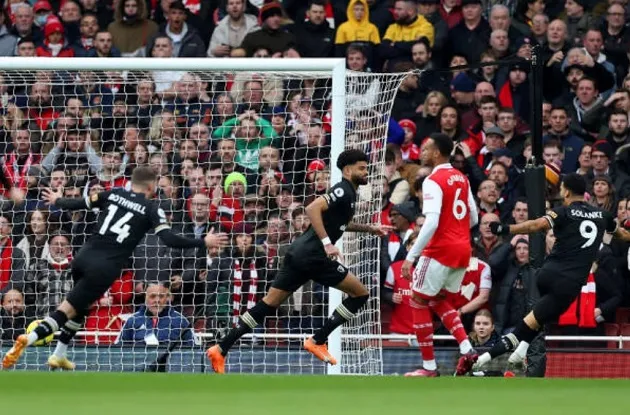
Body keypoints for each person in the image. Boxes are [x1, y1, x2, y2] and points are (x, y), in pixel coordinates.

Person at [1, 166, 228, 370]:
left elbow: (81, 203)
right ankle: (28, 340)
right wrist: (203, 242)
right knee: (66, 311)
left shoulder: (114, 193)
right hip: (105, 267)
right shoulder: (151, 208)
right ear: (151, 187)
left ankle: (59, 354)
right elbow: (169, 239)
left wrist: (58, 200)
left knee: (82, 306)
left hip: (82, 257)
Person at [205, 149, 390, 374]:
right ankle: (318, 339)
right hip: (313, 255)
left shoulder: (350, 193)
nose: (365, 171)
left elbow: (341, 224)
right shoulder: (342, 189)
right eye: (361, 168)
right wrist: (327, 243)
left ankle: (221, 348)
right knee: (360, 294)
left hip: (299, 253)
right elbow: (312, 209)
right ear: (348, 170)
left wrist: (370, 229)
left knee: (267, 304)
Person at [469, 173, 630, 373]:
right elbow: (622, 235)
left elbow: (536, 225)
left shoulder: (562, 212)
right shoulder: (603, 216)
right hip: (568, 284)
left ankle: (520, 351)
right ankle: (481, 360)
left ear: (567, 191)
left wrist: (505, 228)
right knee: (525, 327)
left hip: (547, 274)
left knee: (535, 320)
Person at [401, 132, 479, 377]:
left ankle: (429, 367)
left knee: (418, 299)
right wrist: (456, 234)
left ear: (436, 153)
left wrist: (411, 256)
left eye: (425, 149)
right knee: (437, 299)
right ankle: (467, 347)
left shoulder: (433, 180)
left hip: (440, 249)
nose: (421, 153)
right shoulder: (461, 178)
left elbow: (432, 221)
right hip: (462, 249)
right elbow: (474, 217)